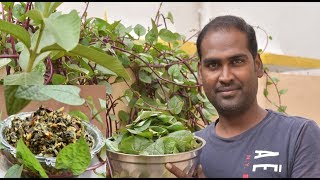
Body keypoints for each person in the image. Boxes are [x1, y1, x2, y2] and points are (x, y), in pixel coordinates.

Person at [165, 15, 320, 178]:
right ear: (200, 74)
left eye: (236, 61)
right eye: (213, 65)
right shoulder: (189, 150)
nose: (225, 77)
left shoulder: (298, 136)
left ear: (258, 65)